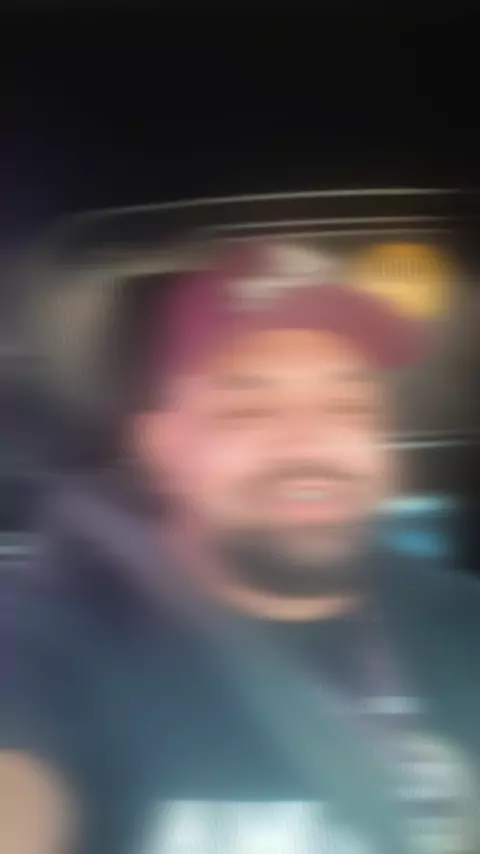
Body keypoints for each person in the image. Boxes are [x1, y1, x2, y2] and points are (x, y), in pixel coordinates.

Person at [2, 241, 480, 854]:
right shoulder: (57, 633)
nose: (308, 445)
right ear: (162, 448)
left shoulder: (460, 624)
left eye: (349, 405)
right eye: (247, 410)